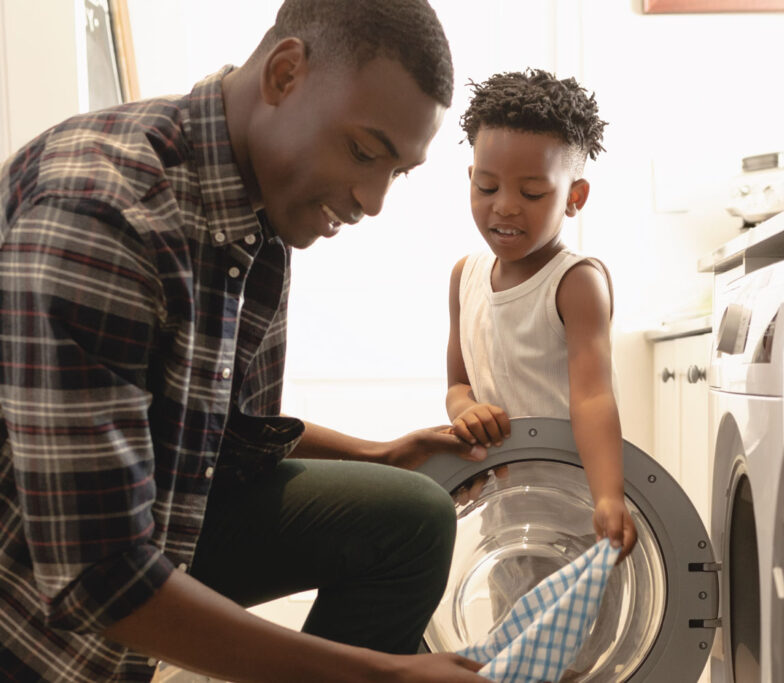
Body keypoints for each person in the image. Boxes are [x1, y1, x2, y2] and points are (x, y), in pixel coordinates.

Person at [0, 1, 491, 681]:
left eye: (397, 171)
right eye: (363, 151)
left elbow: (214, 434)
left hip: (138, 532)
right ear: (285, 75)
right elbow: (95, 576)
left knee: (412, 517)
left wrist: (376, 453)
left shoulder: (256, 209)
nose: (373, 199)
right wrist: (384, 673)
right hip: (32, 606)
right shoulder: (102, 214)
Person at [445, 69, 638, 559]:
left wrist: (609, 496)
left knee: (587, 635)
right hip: (502, 514)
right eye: (487, 187)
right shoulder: (464, 276)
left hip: (576, 515)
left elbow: (593, 397)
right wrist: (466, 410)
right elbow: (457, 386)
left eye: (532, 194)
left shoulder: (575, 282)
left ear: (574, 197)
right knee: (516, 629)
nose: (505, 207)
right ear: (471, 179)